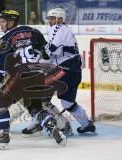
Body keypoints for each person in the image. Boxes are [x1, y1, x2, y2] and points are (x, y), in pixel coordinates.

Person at [0, 10, 67, 149]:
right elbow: (45, 52)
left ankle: (2, 137)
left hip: (20, 75)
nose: (0, 24)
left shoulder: (5, 39)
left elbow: (0, 69)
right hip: (38, 74)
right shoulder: (33, 31)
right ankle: (54, 130)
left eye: (2, 21)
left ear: (11, 22)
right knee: (34, 108)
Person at [22, 7, 96, 136]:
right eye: (49, 18)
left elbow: (49, 52)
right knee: (68, 103)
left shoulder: (58, 28)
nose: (50, 21)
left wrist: (33, 59)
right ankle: (87, 125)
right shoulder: (66, 30)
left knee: (40, 97)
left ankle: (61, 126)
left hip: (64, 72)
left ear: (60, 19)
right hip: (73, 72)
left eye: (52, 18)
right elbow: (53, 55)